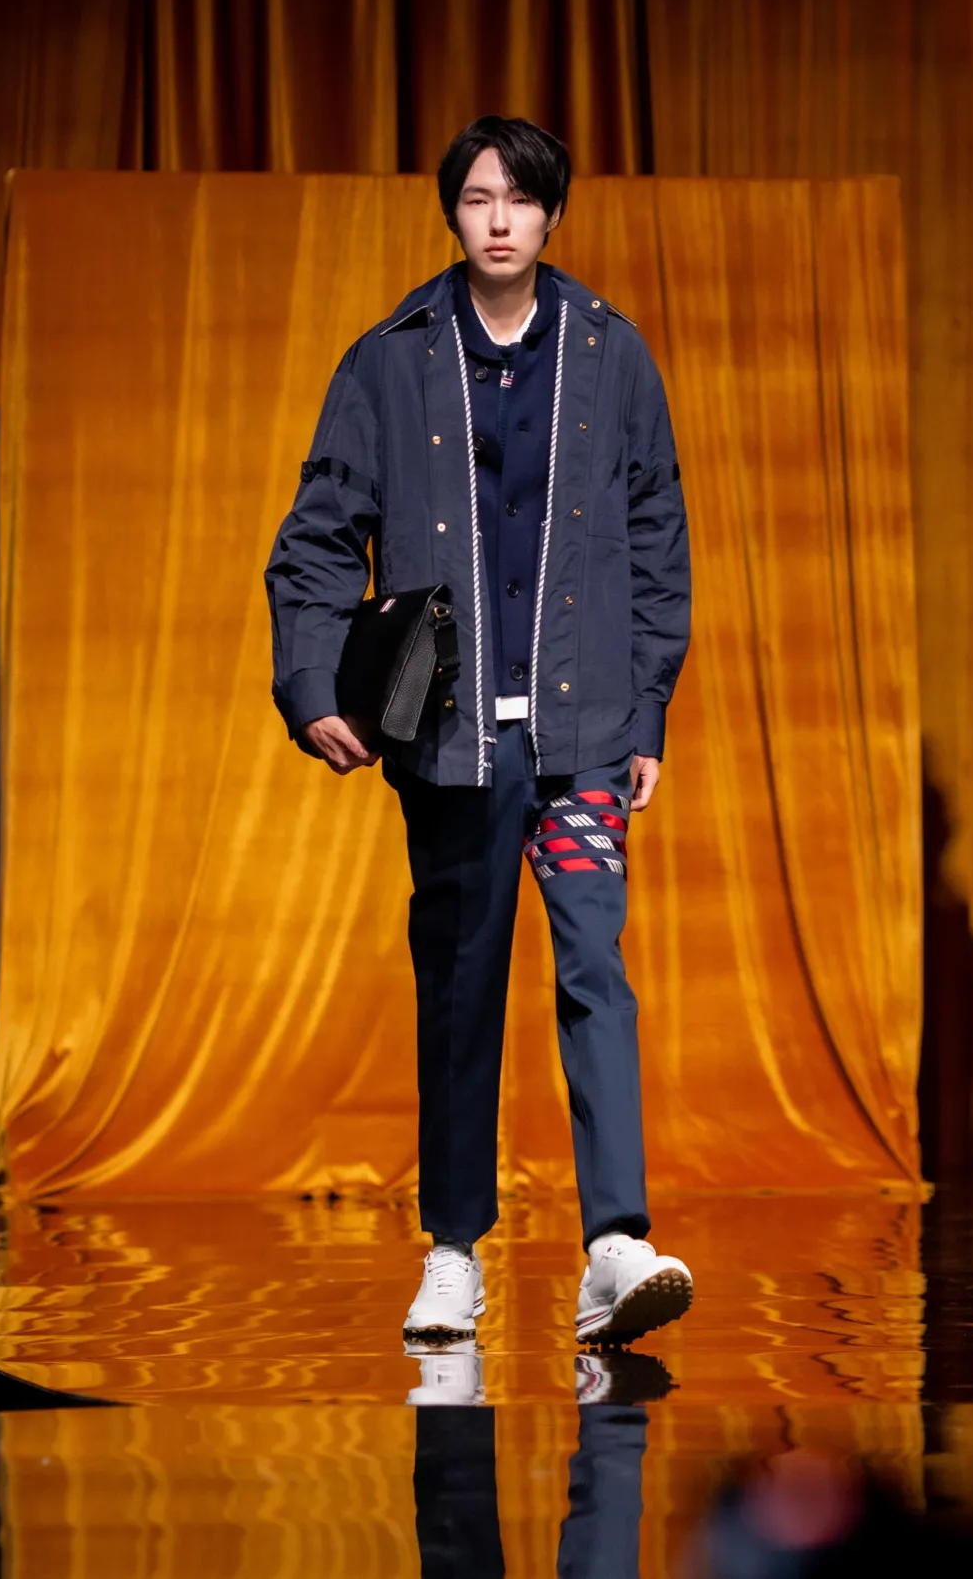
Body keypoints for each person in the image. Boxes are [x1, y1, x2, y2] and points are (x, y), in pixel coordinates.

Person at [265, 115, 695, 1348]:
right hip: (452, 740)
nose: (498, 220)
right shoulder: (392, 359)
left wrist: (646, 706)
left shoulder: (610, 353)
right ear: (451, 212)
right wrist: (312, 686)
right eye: (476, 198)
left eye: (519, 199)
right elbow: (317, 534)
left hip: (580, 735)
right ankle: (453, 1251)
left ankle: (614, 1244)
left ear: (552, 213)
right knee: (459, 987)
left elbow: (656, 535)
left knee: (593, 965)